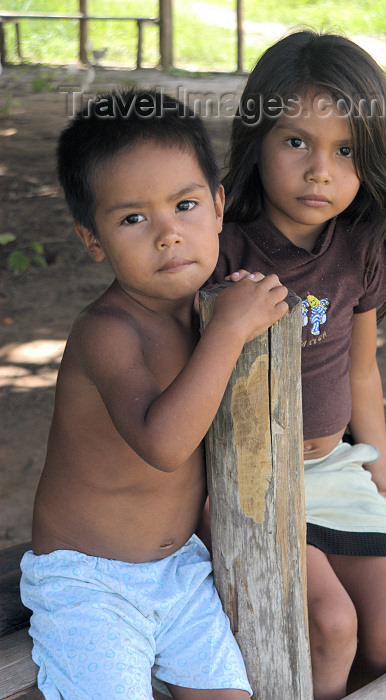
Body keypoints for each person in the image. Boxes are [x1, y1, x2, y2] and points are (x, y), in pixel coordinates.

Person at [20, 88, 289, 700]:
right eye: (134, 218)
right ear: (94, 239)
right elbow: (164, 443)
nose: (169, 234)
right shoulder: (107, 332)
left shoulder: (208, 309)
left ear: (219, 206)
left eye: (186, 205)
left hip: (179, 573)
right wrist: (229, 330)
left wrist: (231, 321)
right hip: (89, 584)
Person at [207, 32, 386, 700]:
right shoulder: (217, 246)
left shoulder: (359, 247)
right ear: (257, 139)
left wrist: (380, 458)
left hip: (332, 469)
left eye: (345, 150)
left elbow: (361, 371)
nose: (318, 171)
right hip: (246, 478)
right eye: (296, 141)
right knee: (329, 624)